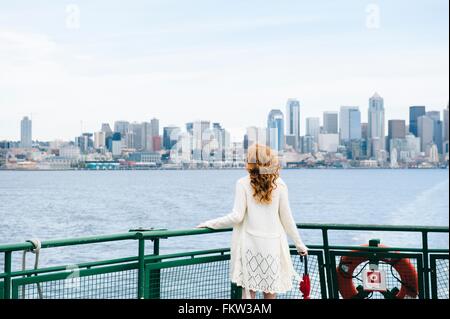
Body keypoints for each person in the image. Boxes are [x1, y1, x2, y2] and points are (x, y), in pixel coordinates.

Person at [197, 144, 308, 299]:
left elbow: (236, 217)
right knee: (270, 291)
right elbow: (287, 218)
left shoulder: (243, 183)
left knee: (249, 293)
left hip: (250, 247)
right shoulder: (280, 184)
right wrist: (299, 244)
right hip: (272, 247)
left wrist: (210, 223)